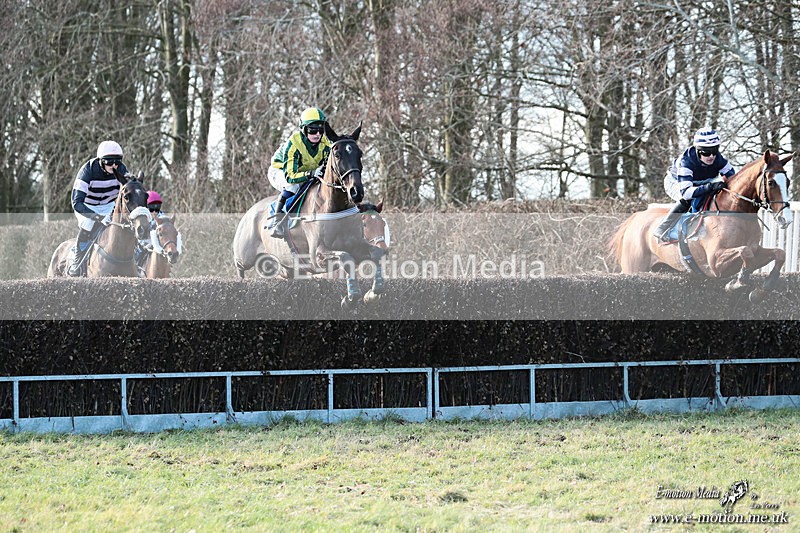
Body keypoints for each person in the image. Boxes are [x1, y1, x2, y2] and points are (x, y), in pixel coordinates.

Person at [653, 127, 735, 243]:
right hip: (676, 182)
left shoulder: (718, 158)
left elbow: (733, 178)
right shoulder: (686, 161)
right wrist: (710, 187)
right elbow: (686, 193)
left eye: (714, 150)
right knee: (688, 199)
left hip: (701, 181)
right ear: (698, 151)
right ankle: (663, 228)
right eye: (706, 152)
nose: (711, 156)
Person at [67, 140, 132, 276]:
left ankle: (134, 258)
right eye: (109, 161)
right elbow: (77, 203)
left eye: (117, 161)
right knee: (88, 224)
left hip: (109, 205)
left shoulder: (121, 170)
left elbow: (128, 190)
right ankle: (77, 261)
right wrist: (98, 217)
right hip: (87, 205)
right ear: (101, 160)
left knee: (124, 225)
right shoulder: (87, 171)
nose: (114, 165)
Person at [267, 107, 332, 238]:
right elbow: (290, 176)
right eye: (313, 130)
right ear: (303, 129)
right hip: (280, 171)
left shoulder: (325, 144)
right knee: (293, 186)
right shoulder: (294, 144)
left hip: (307, 171)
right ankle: (277, 221)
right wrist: (311, 174)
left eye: (320, 130)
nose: (317, 134)